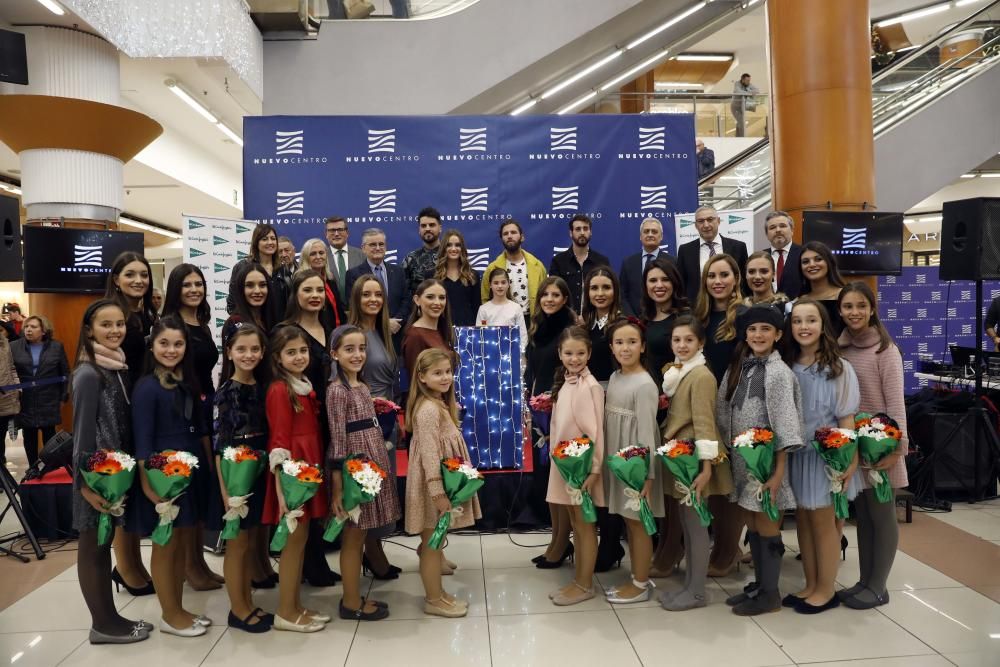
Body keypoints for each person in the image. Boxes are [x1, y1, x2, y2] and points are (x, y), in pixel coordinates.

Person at [70, 299, 152, 645]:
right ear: (89, 330)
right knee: (93, 548)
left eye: (120, 324)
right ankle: (102, 623)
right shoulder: (88, 373)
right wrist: (85, 485)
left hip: (115, 475)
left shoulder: (117, 367)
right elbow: (82, 434)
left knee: (103, 546)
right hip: (96, 478)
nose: (115, 330)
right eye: (106, 325)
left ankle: (110, 618)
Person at [718, 305, 803, 616]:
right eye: (752, 329)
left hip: (768, 466)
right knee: (751, 520)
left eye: (766, 329)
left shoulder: (779, 373)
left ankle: (771, 593)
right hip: (744, 462)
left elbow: (784, 424)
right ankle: (759, 585)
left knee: (767, 521)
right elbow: (724, 407)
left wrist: (778, 473)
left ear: (778, 334)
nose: (758, 335)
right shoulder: (741, 366)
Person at [132, 317, 213, 637]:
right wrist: (149, 483)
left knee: (181, 543)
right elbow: (143, 440)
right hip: (164, 475)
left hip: (189, 470)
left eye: (178, 344)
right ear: (152, 346)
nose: (171, 350)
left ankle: (178, 607)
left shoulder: (186, 380)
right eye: (164, 343)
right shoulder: (147, 387)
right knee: (165, 546)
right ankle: (169, 614)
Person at [784, 298, 860, 614]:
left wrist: (849, 460)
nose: (804, 327)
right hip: (797, 456)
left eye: (811, 320)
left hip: (825, 459)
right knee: (802, 520)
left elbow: (845, 419)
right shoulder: (788, 365)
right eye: (798, 321)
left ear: (823, 325)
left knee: (824, 523)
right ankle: (811, 582)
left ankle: (826, 589)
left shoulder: (838, 368)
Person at [837, 282, 908, 610]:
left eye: (860, 306)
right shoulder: (842, 348)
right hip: (857, 448)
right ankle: (865, 580)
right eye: (848, 307)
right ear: (840, 311)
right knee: (863, 516)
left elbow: (896, 404)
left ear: (872, 309)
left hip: (882, 449)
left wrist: (897, 448)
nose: (854, 313)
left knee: (882, 516)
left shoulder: (885, 349)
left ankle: (879, 586)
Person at [659, 315, 733, 611]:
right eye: (677, 340)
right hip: (681, 457)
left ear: (701, 343)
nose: (682, 345)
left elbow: (705, 424)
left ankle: (697, 590)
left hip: (694, 461)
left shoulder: (701, 376)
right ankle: (690, 584)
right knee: (688, 526)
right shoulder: (679, 373)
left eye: (689, 340)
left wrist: (706, 469)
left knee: (696, 525)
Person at [327, 324, 401, 621]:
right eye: (349, 349)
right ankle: (350, 601)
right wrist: (339, 486)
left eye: (361, 349)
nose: (357, 355)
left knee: (363, 531)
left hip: (370, 463)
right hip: (353, 470)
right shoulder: (337, 391)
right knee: (354, 536)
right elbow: (338, 438)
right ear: (334, 354)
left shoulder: (362, 385)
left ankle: (355, 594)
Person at [405, 348, 482, 617]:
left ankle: (439, 592)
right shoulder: (428, 410)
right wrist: (438, 491)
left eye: (448, 371)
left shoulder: (439, 403)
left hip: (441, 484)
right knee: (432, 544)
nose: (445, 377)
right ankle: (433, 599)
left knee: (437, 540)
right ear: (422, 377)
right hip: (432, 486)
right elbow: (428, 453)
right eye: (437, 373)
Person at [262, 326, 330, 632]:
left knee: (301, 542)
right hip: (293, 476)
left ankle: (296, 604)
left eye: (303, 350)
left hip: (308, 466)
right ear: (277, 357)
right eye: (291, 352)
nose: (299, 356)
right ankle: (285, 611)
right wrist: (285, 491)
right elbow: (279, 442)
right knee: (293, 542)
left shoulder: (302, 384)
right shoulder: (280, 390)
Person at [162, 264, 225, 591]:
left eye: (198, 284)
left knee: (202, 488)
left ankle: (198, 562)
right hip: (183, 410)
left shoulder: (200, 322)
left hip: (205, 405)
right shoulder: (170, 325)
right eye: (186, 284)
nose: (194, 289)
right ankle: (188, 567)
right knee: (187, 492)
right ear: (176, 289)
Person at [279, 269, 342, 588]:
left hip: (325, 416)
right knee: (302, 490)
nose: (315, 295)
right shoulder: (287, 330)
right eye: (308, 289)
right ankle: (307, 563)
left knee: (319, 491)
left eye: (320, 289)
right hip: (299, 420)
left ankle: (316, 559)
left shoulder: (329, 327)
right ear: (296, 294)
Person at [212, 323, 274, 633]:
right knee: (236, 542)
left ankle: (247, 601)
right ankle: (237, 609)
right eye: (241, 349)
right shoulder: (226, 392)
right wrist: (226, 492)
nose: (248, 355)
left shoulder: (261, 387)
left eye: (254, 349)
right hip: (237, 469)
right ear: (230, 352)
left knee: (248, 540)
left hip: (259, 462)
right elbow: (218, 446)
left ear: (263, 352)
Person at [103, 251, 156, 595]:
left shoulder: (147, 314)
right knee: (123, 489)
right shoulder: (112, 315)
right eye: (131, 274)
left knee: (136, 492)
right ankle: (125, 567)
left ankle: (134, 564)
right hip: (119, 405)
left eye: (144, 275)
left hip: (143, 403)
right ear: (117, 279)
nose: (138, 280)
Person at [602, 318, 664, 604]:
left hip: (635, 464)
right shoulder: (615, 378)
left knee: (637, 521)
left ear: (643, 346)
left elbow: (647, 433)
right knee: (628, 520)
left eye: (632, 342)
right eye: (619, 342)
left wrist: (647, 475)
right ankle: (637, 576)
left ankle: (640, 583)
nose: (625, 348)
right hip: (618, 458)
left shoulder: (644, 384)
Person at [693, 254, 747, 578]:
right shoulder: (698, 316)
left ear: (735, 278)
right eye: (712, 275)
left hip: (735, 406)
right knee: (714, 480)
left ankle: (729, 549)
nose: (718, 281)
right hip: (706, 406)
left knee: (734, 484)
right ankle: (725, 545)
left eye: (724, 275)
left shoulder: (741, 315)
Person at [347, 275, 404, 580]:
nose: (372, 299)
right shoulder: (352, 334)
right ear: (356, 298)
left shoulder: (382, 332)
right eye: (366, 294)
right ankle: (373, 556)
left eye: (378, 294)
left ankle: (375, 552)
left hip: (386, 421)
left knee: (381, 493)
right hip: (365, 424)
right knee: (368, 493)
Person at [546, 326, 605, 606]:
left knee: (584, 525)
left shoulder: (591, 386)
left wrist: (593, 469)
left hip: (581, 470)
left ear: (589, 353)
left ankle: (585, 584)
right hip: (564, 466)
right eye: (568, 353)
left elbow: (596, 432)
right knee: (574, 522)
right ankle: (578, 579)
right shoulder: (565, 382)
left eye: (580, 353)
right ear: (559, 354)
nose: (574, 358)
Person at [640, 258, 691, 580]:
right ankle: (664, 546)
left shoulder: (682, 321)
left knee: (675, 488)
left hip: (676, 410)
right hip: (651, 408)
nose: (658, 285)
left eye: (664, 280)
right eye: (652, 280)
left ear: (674, 282)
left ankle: (673, 548)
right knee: (658, 483)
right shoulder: (646, 320)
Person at [524, 277, 576, 569]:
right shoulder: (537, 327)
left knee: (561, 480)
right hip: (540, 410)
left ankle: (561, 542)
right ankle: (557, 538)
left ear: (565, 298)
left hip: (561, 407)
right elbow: (533, 370)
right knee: (548, 481)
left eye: (557, 294)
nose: (551, 299)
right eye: (546, 294)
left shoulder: (569, 329)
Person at [10, 315, 69, 467]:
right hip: (25, 399)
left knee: (50, 436)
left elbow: (65, 373)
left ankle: (50, 469)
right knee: (29, 435)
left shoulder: (56, 347)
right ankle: (33, 469)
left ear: (44, 331)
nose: (28, 330)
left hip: (49, 398)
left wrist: (63, 397)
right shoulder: (14, 346)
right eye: (27, 327)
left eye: (33, 327)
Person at [345, 228, 410, 338]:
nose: (378, 248)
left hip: (396, 333)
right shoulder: (353, 274)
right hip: (369, 334)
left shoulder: (398, 271)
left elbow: (406, 300)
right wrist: (384, 324)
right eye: (373, 245)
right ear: (363, 248)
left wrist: (396, 322)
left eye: (381, 244)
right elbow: (353, 305)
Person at [676, 206, 749, 303]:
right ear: (696, 225)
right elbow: (681, 284)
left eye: (710, 219)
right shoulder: (685, 250)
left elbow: (743, 280)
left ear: (718, 221)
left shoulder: (738, 247)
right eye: (701, 221)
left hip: (731, 306)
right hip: (697, 309)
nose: (706, 225)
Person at [481, 218, 548, 318]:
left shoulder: (537, 266)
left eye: (513, 232)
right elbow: (485, 299)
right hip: (503, 321)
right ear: (502, 239)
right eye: (505, 234)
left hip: (533, 321)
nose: (509, 236)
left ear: (522, 237)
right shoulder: (492, 268)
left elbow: (545, 295)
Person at [227, 224, 286, 330]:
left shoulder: (283, 269)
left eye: (273, 239)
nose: (270, 242)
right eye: (264, 239)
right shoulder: (242, 267)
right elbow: (232, 303)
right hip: (251, 329)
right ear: (256, 242)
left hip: (278, 331)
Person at [548, 214, 611, 314]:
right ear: (571, 233)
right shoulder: (558, 261)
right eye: (578, 229)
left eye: (585, 229)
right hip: (566, 320)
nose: (582, 232)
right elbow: (554, 293)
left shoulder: (602, 262)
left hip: (594, 319)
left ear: (590, 232)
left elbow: (608, 293)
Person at [401, 279, 455, 381]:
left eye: (442, 298)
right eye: (430, 297)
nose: (437, 302)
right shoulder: (415, 336)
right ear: (417, 300)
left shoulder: (443, 330)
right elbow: (415, 380)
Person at [619, 217, 672, 317]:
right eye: (646, 231)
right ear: (640, 236)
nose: (650, 234)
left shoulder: (672, 262)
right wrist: (632, 319)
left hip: (665, 319)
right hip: (634, 321)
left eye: (654, 231)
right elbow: (622, 294)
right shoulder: (628, 262)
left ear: (661, 237)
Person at [581, 267, 623, 386]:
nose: (600, 293)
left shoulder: (623, 325)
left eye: (606, 287)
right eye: (594, 288)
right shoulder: (585, 326)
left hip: (615, 392)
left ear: (615, 291)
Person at [797, 241, 847, 338]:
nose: (811, 264)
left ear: (829, 262)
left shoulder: (844, 296)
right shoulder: (800, 300)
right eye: (805, 262)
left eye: (818, 259)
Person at [434, 229, 481, 327]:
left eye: (458, 245)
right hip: (440, 329)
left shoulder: (472, 275)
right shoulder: (432, 275)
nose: (453, 248)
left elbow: (477, 307)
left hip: (467, 330)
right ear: (443, 248)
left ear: (462, 248)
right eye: (449, 245)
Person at [298, 238, 347, 333]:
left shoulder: (330, 279)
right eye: (313, 254)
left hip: (337, 332)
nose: (318, 257)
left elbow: (338, 309)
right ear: (306, 257)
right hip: (316, 333)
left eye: (321, 253)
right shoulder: (300, 280)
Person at [476, 268, 528, 350]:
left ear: (508, 284)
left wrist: (520, 352)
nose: (500, 286)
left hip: (512, 353)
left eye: (503, 282)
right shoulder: (483, 309)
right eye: (496, 283)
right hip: (490, 353)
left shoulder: (516, 308)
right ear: (490, 285)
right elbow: (480, 334)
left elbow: (522, 334)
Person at [402, 207, 443, 295]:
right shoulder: (410, 259)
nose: (427, 228)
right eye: (423, 226)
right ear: (419, 230)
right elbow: (403, 292)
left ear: (440, 228)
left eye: (432, 225)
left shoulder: (450, 255)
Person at [325, 217, 364, 304]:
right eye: (332, 230)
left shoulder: (361, 255)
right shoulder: (321, 256)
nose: (336, 234)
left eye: (340, 229)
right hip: (331, 311)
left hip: (358, 309)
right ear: (326, 234)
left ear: (347, 233)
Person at [764, 211, 802, 300]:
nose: (778, 230)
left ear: (792, 230)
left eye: (782, 226)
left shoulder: (804, 254)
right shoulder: (760, 257)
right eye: (772, 227)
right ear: (766, 234)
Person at [0, 326, 20, 464]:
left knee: (0, 437)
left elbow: (11, 367)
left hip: (5, 398)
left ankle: (2, 479)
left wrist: (17, 388)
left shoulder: (4, 342)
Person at [731, 72, 759, 137]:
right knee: (742, 122)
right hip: (735, 108)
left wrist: (748, 91)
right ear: (742, 80)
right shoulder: (737, 84)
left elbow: (757, 91)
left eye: (749, 80)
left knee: (740, 122)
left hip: (742, 107)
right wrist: (750, 92)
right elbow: (739, 92)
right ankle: (742, 137)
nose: (748, 82)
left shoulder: (749, 84)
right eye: (747, 80)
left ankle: (737, 137)